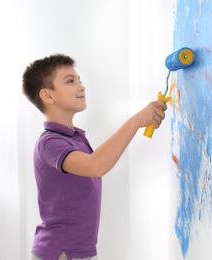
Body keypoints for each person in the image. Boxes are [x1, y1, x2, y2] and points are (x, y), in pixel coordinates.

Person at [22, 54, 167, 260]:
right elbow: (96, 166)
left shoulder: (75, 138)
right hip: (61, 252)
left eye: (80, 80)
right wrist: (135, 121)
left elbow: (97, 164)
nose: (81, 87)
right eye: (70, 81)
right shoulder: (50, 143)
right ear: (47, 96)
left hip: (78, 252)